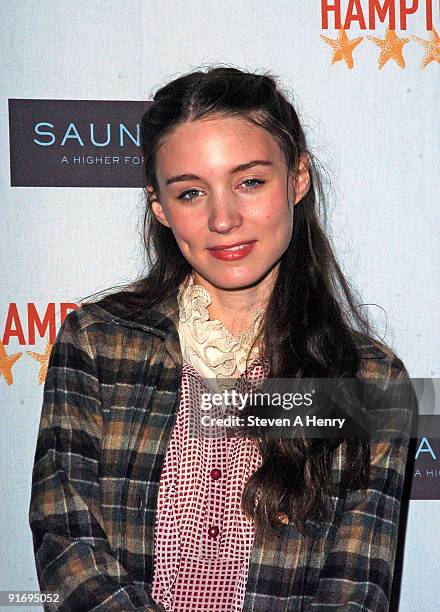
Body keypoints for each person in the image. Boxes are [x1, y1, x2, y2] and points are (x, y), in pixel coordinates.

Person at [29, 66, 416, 611]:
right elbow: (67, 549)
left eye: (250, 182)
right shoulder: (96, 345)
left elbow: (355, 588)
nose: (223, 219)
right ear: (161, 208)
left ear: (297, 178)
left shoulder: (370, 381)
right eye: (191, 193)